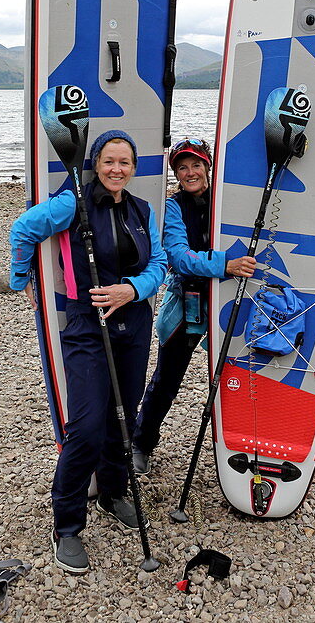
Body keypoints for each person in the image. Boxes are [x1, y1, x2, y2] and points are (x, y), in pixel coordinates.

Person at [9, 130, 167, 575]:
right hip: (86, 327)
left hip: (134, 324)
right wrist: (24, 281)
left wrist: (133, 288)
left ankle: (115, 492)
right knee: (86, 425)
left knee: (125, 417)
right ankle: (67, 524)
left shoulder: (142, 209)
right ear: (96, 162)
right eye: (110, 161)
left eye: (126, 162)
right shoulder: (71, 202)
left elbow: (158, 264)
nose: (118, 169)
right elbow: (23, 229)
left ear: (134, 168)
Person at [131, 138, 256, 473]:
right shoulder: (174, 207)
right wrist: (224, 265)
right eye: (182, 167)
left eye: (196, 165)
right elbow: (178, 257)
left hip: (232, 300)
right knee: (167, 380)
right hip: (188, 303)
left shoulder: (227, 203)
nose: (190, 172)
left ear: (208, 167)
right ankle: (141, 443)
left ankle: (246, 441)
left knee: (240, 376)